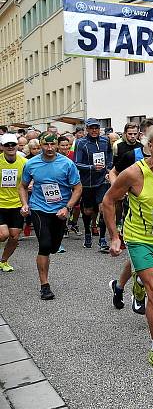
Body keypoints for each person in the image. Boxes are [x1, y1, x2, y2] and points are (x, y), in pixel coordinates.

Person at [102, 125, 153, 371]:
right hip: (139, 240)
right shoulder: (133, 174)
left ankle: (137, 283)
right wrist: (114, 237)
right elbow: (108, 201)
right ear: (148, 147)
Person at [108, 118, 153, 315]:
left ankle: (119, 286)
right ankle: (139, 293)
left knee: (137, 260)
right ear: (144, 137)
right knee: (143, 261)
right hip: (136, 219)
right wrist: (118, 190)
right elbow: (113, 172)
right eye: (152, 135)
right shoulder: (132, 155)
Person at [19, 134, 82, 300]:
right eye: (45, 145)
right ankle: (44, 286)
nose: (49, 148)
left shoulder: (67, 164)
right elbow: (23, 186)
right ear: (40, 145)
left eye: (52, 144)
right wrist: (25, 204)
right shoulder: (31, 164)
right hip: (39, 208)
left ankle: (51, 251)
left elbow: (77, 188)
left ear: (57, 145)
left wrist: (67, 207)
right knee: (45, 245)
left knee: (54, 246)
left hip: (60, 211)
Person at [74, 118, 113, 251]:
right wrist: (92, 167)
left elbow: (109, 154)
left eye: (96, 128)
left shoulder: (105, 140)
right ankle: (87, 233)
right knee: (88, 211)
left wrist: (108, 168)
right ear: (87, 129)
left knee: (103, 208)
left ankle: (102, 239)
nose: (94, 130)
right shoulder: (80, 143)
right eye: (91, 128)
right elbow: (77, 163)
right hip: (87, 182)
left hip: (102, 181)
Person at [0, 133, 26, 272]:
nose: (10, 147)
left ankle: (3, 261)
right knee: (2, 235)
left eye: (13, 144)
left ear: (17, 146)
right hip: (0, 204)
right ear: (2, 147)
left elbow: (30, 178)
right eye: (7, 145)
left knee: (14, 237)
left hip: (17, 204)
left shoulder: (24, 162)